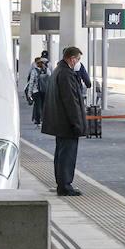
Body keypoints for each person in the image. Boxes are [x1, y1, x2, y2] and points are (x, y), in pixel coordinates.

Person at [43, 46, 89, 197]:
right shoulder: (66, 74)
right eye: (78, 59)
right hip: (67, 124)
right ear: (72, 58)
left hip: (60, 123)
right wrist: (77, 124)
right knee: (67, 156)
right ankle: (65, 186)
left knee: (61, 154)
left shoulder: (58, 71)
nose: (78, 63)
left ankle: (62, 184)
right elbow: (71, 101)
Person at [25, 56, 50, 126]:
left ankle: (38, 121)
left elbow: (31, 82)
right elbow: (50, 78)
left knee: (37, 106)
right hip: (45, 90)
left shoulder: (34, 71)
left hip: (36, 91)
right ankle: (44, 120)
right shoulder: (47, 71)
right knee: (44, 106)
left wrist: (29, 93)